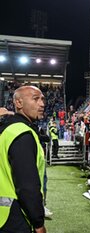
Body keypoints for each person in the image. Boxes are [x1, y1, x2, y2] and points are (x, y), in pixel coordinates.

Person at [0, 86, 46, 233]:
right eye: (35, 99)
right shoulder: (22, 133)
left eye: (43, 99)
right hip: (15, 218)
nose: (42, 104)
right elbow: (27, 186)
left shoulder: (7, 129)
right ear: (18, 103)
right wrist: (38, 223)